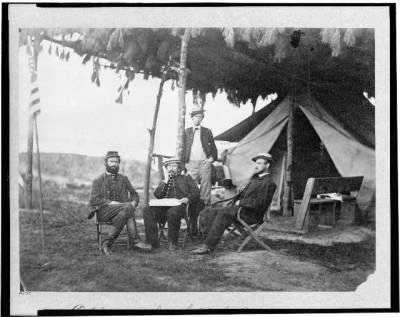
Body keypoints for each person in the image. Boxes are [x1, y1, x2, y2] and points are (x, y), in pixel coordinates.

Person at [191, 152, 276, 255]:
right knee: (207, 210)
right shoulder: (256, 180)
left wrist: (241, 202)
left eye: (259, 163)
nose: (256, 166)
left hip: (252, 215)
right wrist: (239, 196)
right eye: (256, 163)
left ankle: (208, 246)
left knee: (224, 213)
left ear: (267, 165)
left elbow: (260, 203)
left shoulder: (268, 183)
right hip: (243, 210)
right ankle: (203, 240)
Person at [89, 151, 152, 255]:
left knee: (127, 210)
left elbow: (134, 194)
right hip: (104, 212)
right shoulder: (98, 180)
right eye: (111, 161)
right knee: (128, 209)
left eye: (116, 162)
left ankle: (107, 242)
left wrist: (134, 202)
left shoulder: (123, 179)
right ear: (106, 163)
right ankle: (135, 241)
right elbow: (94, 200)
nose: (114, 164)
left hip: (123, 212)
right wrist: (111, 203)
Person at [143, 158, 201, 251]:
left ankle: (172, 242)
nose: (171, 168)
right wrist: (165, 181)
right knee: (147, 210)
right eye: (169, 166)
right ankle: (152, 242)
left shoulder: (186, 178)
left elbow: (196, 193)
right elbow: (157, 195)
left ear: (179, 168)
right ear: (166, 169)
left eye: (174, 166)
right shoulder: (164, 181)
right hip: (163, 208)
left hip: (180, 207)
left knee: (172, 212)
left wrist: (187, 198)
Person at [183, 106, 218, 208]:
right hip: (190, 163)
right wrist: (183, 165)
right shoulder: (186, 132)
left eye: (201, 116)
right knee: (190, 186)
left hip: (204, 163)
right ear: (192, 117)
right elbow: (182, 148)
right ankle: (191, 209)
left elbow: (214, 148)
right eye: (196, 116)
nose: (198, 118)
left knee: (206, 186)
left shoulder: (207, 131)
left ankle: (205, 209)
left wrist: (211, 159)